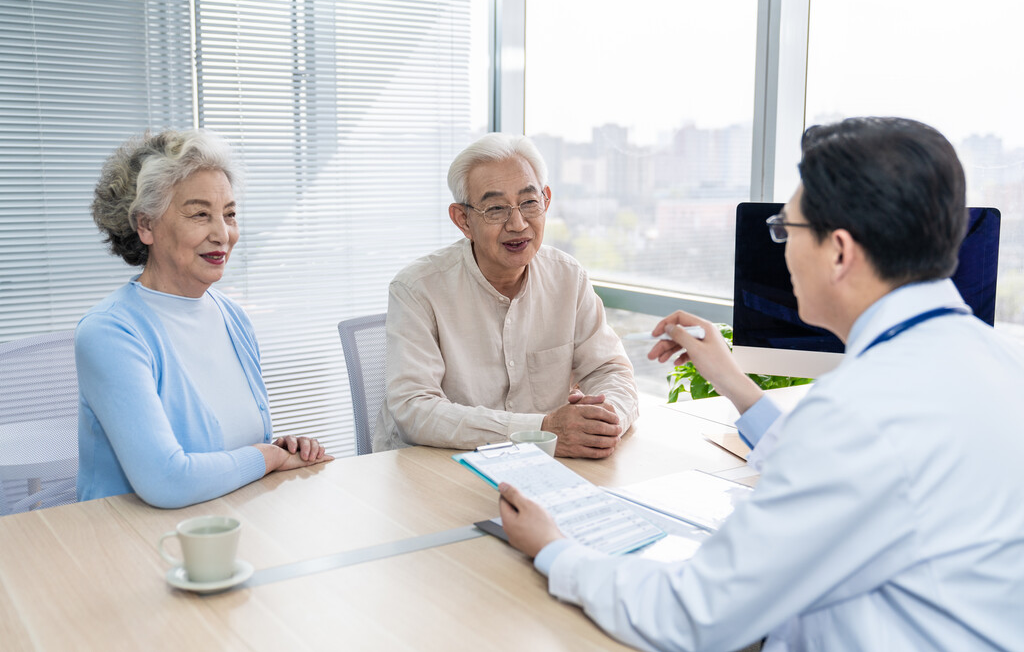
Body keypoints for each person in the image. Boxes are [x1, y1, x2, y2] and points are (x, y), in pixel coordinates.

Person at [497, 117, 1024, 651]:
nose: (783, 250)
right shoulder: (997, 362)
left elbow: (695, 613)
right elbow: (849, 467)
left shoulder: (860, 412)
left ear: (839, 252)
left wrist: (554, 549)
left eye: (785, 230)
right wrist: (733, 382)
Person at [76, 129, 332, 509]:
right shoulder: (110, 332)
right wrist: (269, 458)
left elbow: (238, 448)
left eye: (229, 214)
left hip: (223, 526)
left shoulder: (231, 316)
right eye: (200, 215)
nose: (223, 234)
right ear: (145, 225)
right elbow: (166, 480)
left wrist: (283, 448)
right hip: (126, 542)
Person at [375, 133, 638, 458]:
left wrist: (607, 420)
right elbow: (413, 408)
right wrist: (541, 429)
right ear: (463, 220)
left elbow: (609, 370)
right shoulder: (417, 289)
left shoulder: (568, 277)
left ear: (546, 201)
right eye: (496, 209)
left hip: (545, 466)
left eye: (529, 203)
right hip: (440, 469)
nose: (517, 224)